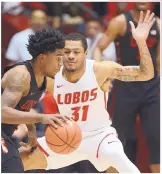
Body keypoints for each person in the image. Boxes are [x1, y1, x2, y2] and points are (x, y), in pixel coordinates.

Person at [21, 10, 155, 173]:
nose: (71, 56)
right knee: (21, 159)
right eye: (66, 52)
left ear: (85, 53)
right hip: (65, 136)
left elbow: (146, 74)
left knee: (122, 164)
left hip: (100, 137)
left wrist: (141, 42)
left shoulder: (101, 70)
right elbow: (23, 100)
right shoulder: (52, 77)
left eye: (76, 52)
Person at [93, 3, 160, 173]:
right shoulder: (120, 21)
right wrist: (101, 73)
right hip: (125, 83)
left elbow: (159, 59)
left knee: (156, 137)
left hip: (152, 87)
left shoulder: (158, 24)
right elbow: (99, 48)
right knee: (116, 137)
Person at [1, 28, 71, 173]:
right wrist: (41, 117)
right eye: (58, 57)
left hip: (6, 132)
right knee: (12, 168)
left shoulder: (44, 79)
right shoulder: (21, 75)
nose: (61, 63)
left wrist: (31, 129)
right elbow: (2, 112)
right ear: (42, 58)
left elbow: (22, 106)